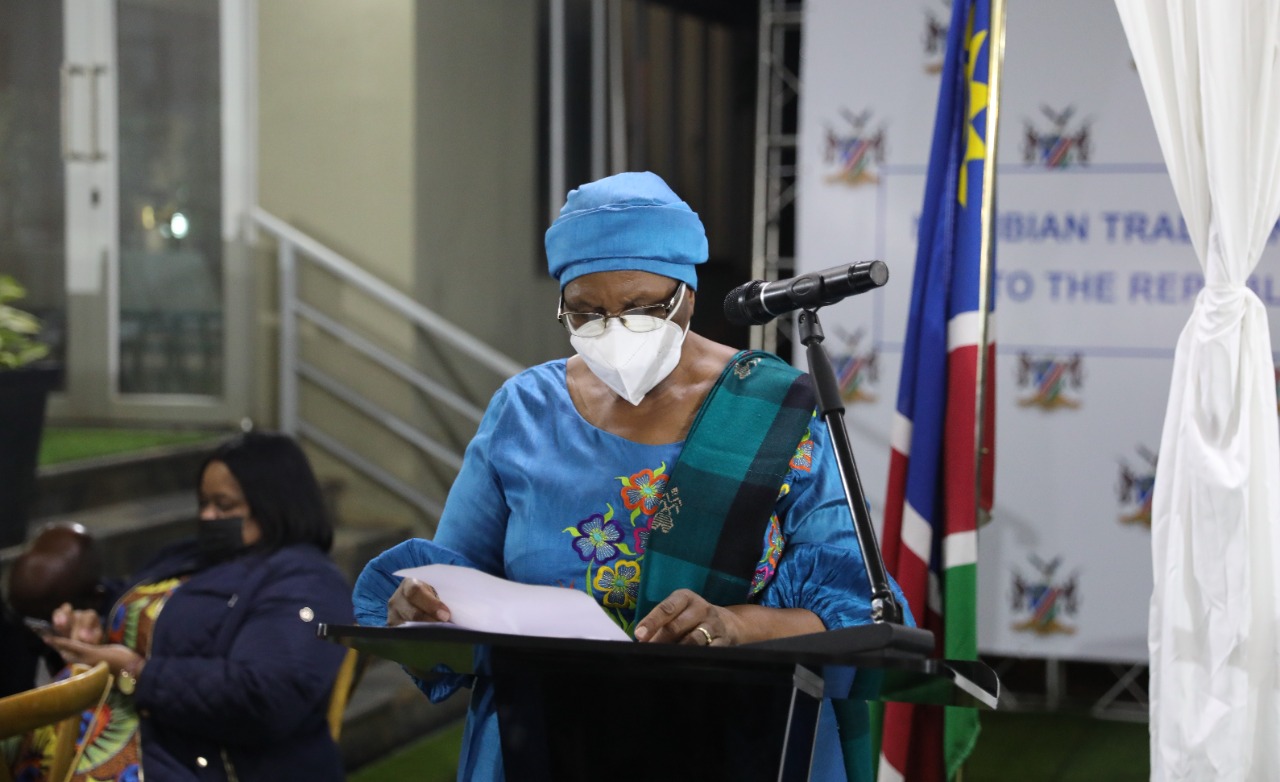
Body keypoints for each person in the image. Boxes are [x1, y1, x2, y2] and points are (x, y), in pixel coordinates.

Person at [353, 171, 911, 781]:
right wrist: (422, 605)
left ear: (689, 294)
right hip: (539, 741)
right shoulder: (525, 411)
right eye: (586, 313)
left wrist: (734, 624)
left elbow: (856, 608)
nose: (614, 329)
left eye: (643, 308)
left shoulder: (775, 410)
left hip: (734, 742)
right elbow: (452, 580)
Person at [7, 431, 354, 782]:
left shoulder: (307, 583)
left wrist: (138, 673)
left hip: (195, 762)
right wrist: (91, 626)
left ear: (275, 504)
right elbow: (130, 604)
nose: (207, 516)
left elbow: (266, 699)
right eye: (203, 502)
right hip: (104, 737)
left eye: (224, 505)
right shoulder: (190, 556)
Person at [1, 523, 107, 697]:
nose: (40, 638)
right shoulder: (15, 629)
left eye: (43, 627)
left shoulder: (118, 630)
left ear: (95, 600)